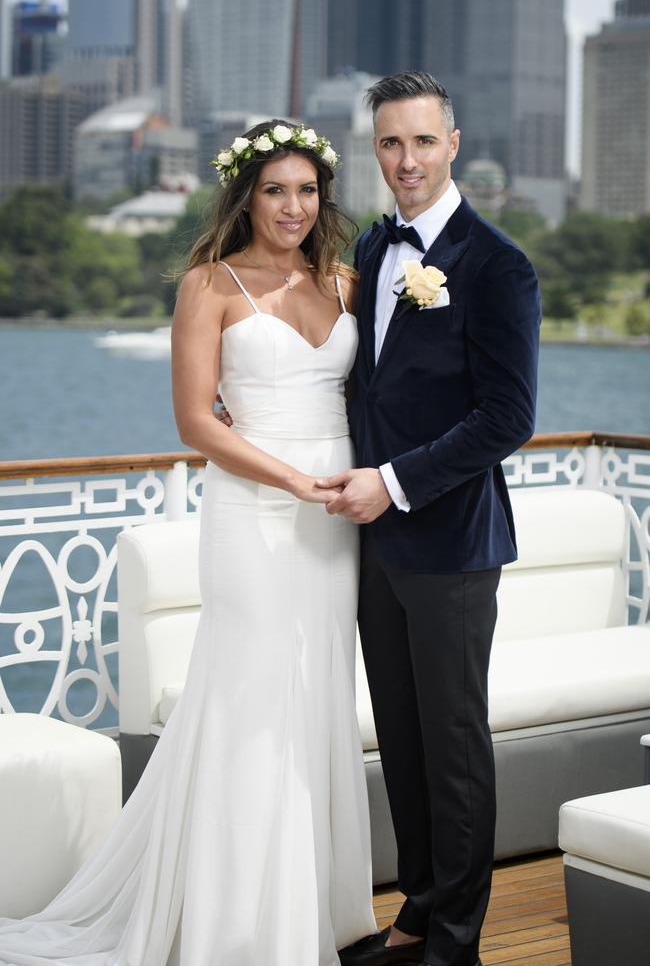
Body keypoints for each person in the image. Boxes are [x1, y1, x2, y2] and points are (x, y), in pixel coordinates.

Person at [0, 120, 376, 966]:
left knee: (317, 695)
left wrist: (368, 482)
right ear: (243, 194)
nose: (293, 207)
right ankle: (242, 923)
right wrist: (288, 479)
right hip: (254, 510)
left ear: (326, 199)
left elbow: (379, 399)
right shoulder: (210, 284)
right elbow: (194, 420)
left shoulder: (346, 282)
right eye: (275, 189)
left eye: (308, 190)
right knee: (252, 697)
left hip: (337, 520)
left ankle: (315, 903)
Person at [319, 73, 541, 966]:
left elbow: (507, 418)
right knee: (403, 742)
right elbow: (359, 378)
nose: (405, 161)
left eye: (421, 142)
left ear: (453, 142)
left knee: (452, 748)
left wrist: (396, 483)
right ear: (375, 150)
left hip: (449, 543)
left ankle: (456, 943)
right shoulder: (374, 249)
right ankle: (416, 916)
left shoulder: (497, 265)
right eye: (388, 144)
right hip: (374, 544)